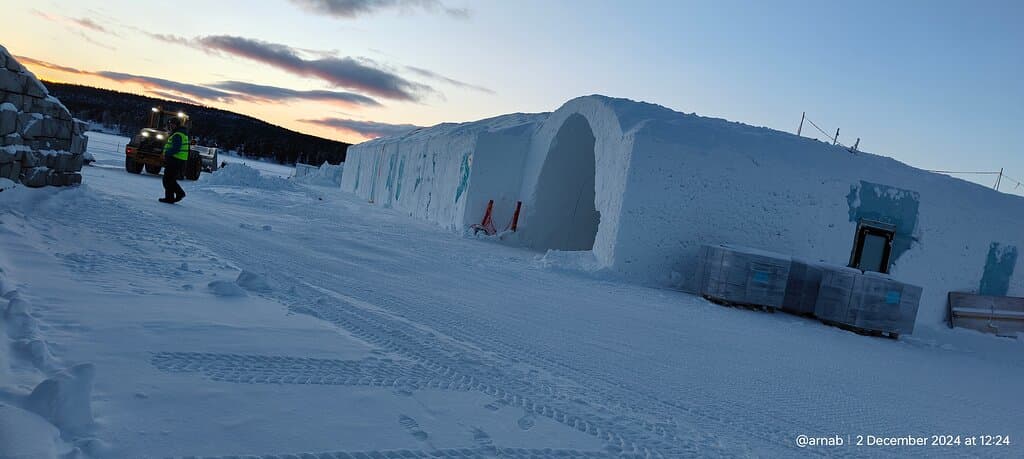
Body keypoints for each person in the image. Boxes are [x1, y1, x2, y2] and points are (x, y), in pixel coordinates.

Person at [159, 118, 189, 203]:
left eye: (172, 124)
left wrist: (166, 153)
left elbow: (176, 148)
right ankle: (173, 196)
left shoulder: (177, 134)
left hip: (175, 159)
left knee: (167, 179)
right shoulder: (181, 133)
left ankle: (176, 195)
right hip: (178, 159)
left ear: (176, 125)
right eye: (170, 124)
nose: (170, 126)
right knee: (170, 179)